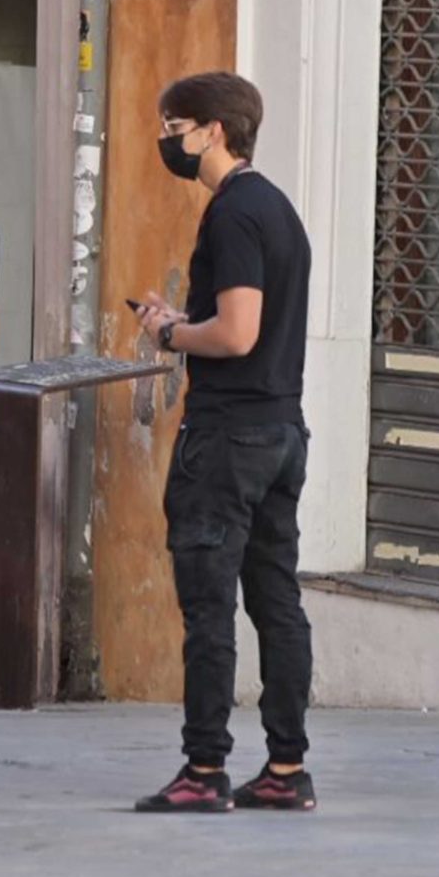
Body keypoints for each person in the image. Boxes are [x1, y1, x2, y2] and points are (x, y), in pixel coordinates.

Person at [132, 71, 319, 814]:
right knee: (276, 600)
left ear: (214, 130)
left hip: (229, 437)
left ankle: (204, 768)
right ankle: (286, 767)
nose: (167, 141)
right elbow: (252, 325)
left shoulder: (234, 212)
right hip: (281, 429)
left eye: (174, 128)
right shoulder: (278, 210)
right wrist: (182, 319)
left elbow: (237, 333)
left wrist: (171, 335)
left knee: (209, 604)